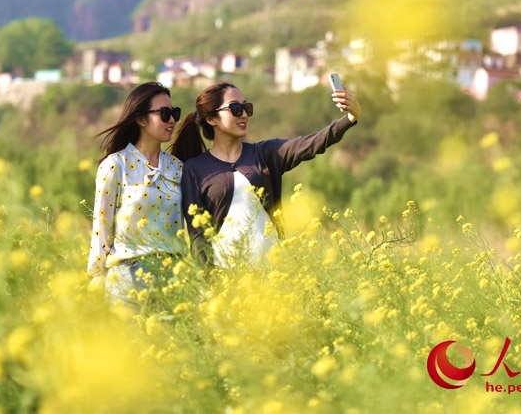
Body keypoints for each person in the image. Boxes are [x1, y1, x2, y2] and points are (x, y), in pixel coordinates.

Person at [171, 82, 361, 267]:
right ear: (211, 119)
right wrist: (208, 283)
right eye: (236, 109)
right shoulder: (194, 169)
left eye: (247, 108)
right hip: (226, 279)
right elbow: (198, 237)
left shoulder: (266, 153)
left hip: (272, 273)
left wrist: (350, 118)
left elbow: (310, 144)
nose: (244, 114)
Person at [88, 82, 185, 307]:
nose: (172, 120)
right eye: (164, 114)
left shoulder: (178, 168)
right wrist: (97, 278)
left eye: (175, 113)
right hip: (127, 279)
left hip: (173, 279)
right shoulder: (115, 166)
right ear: (141, 119)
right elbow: (102, 230)